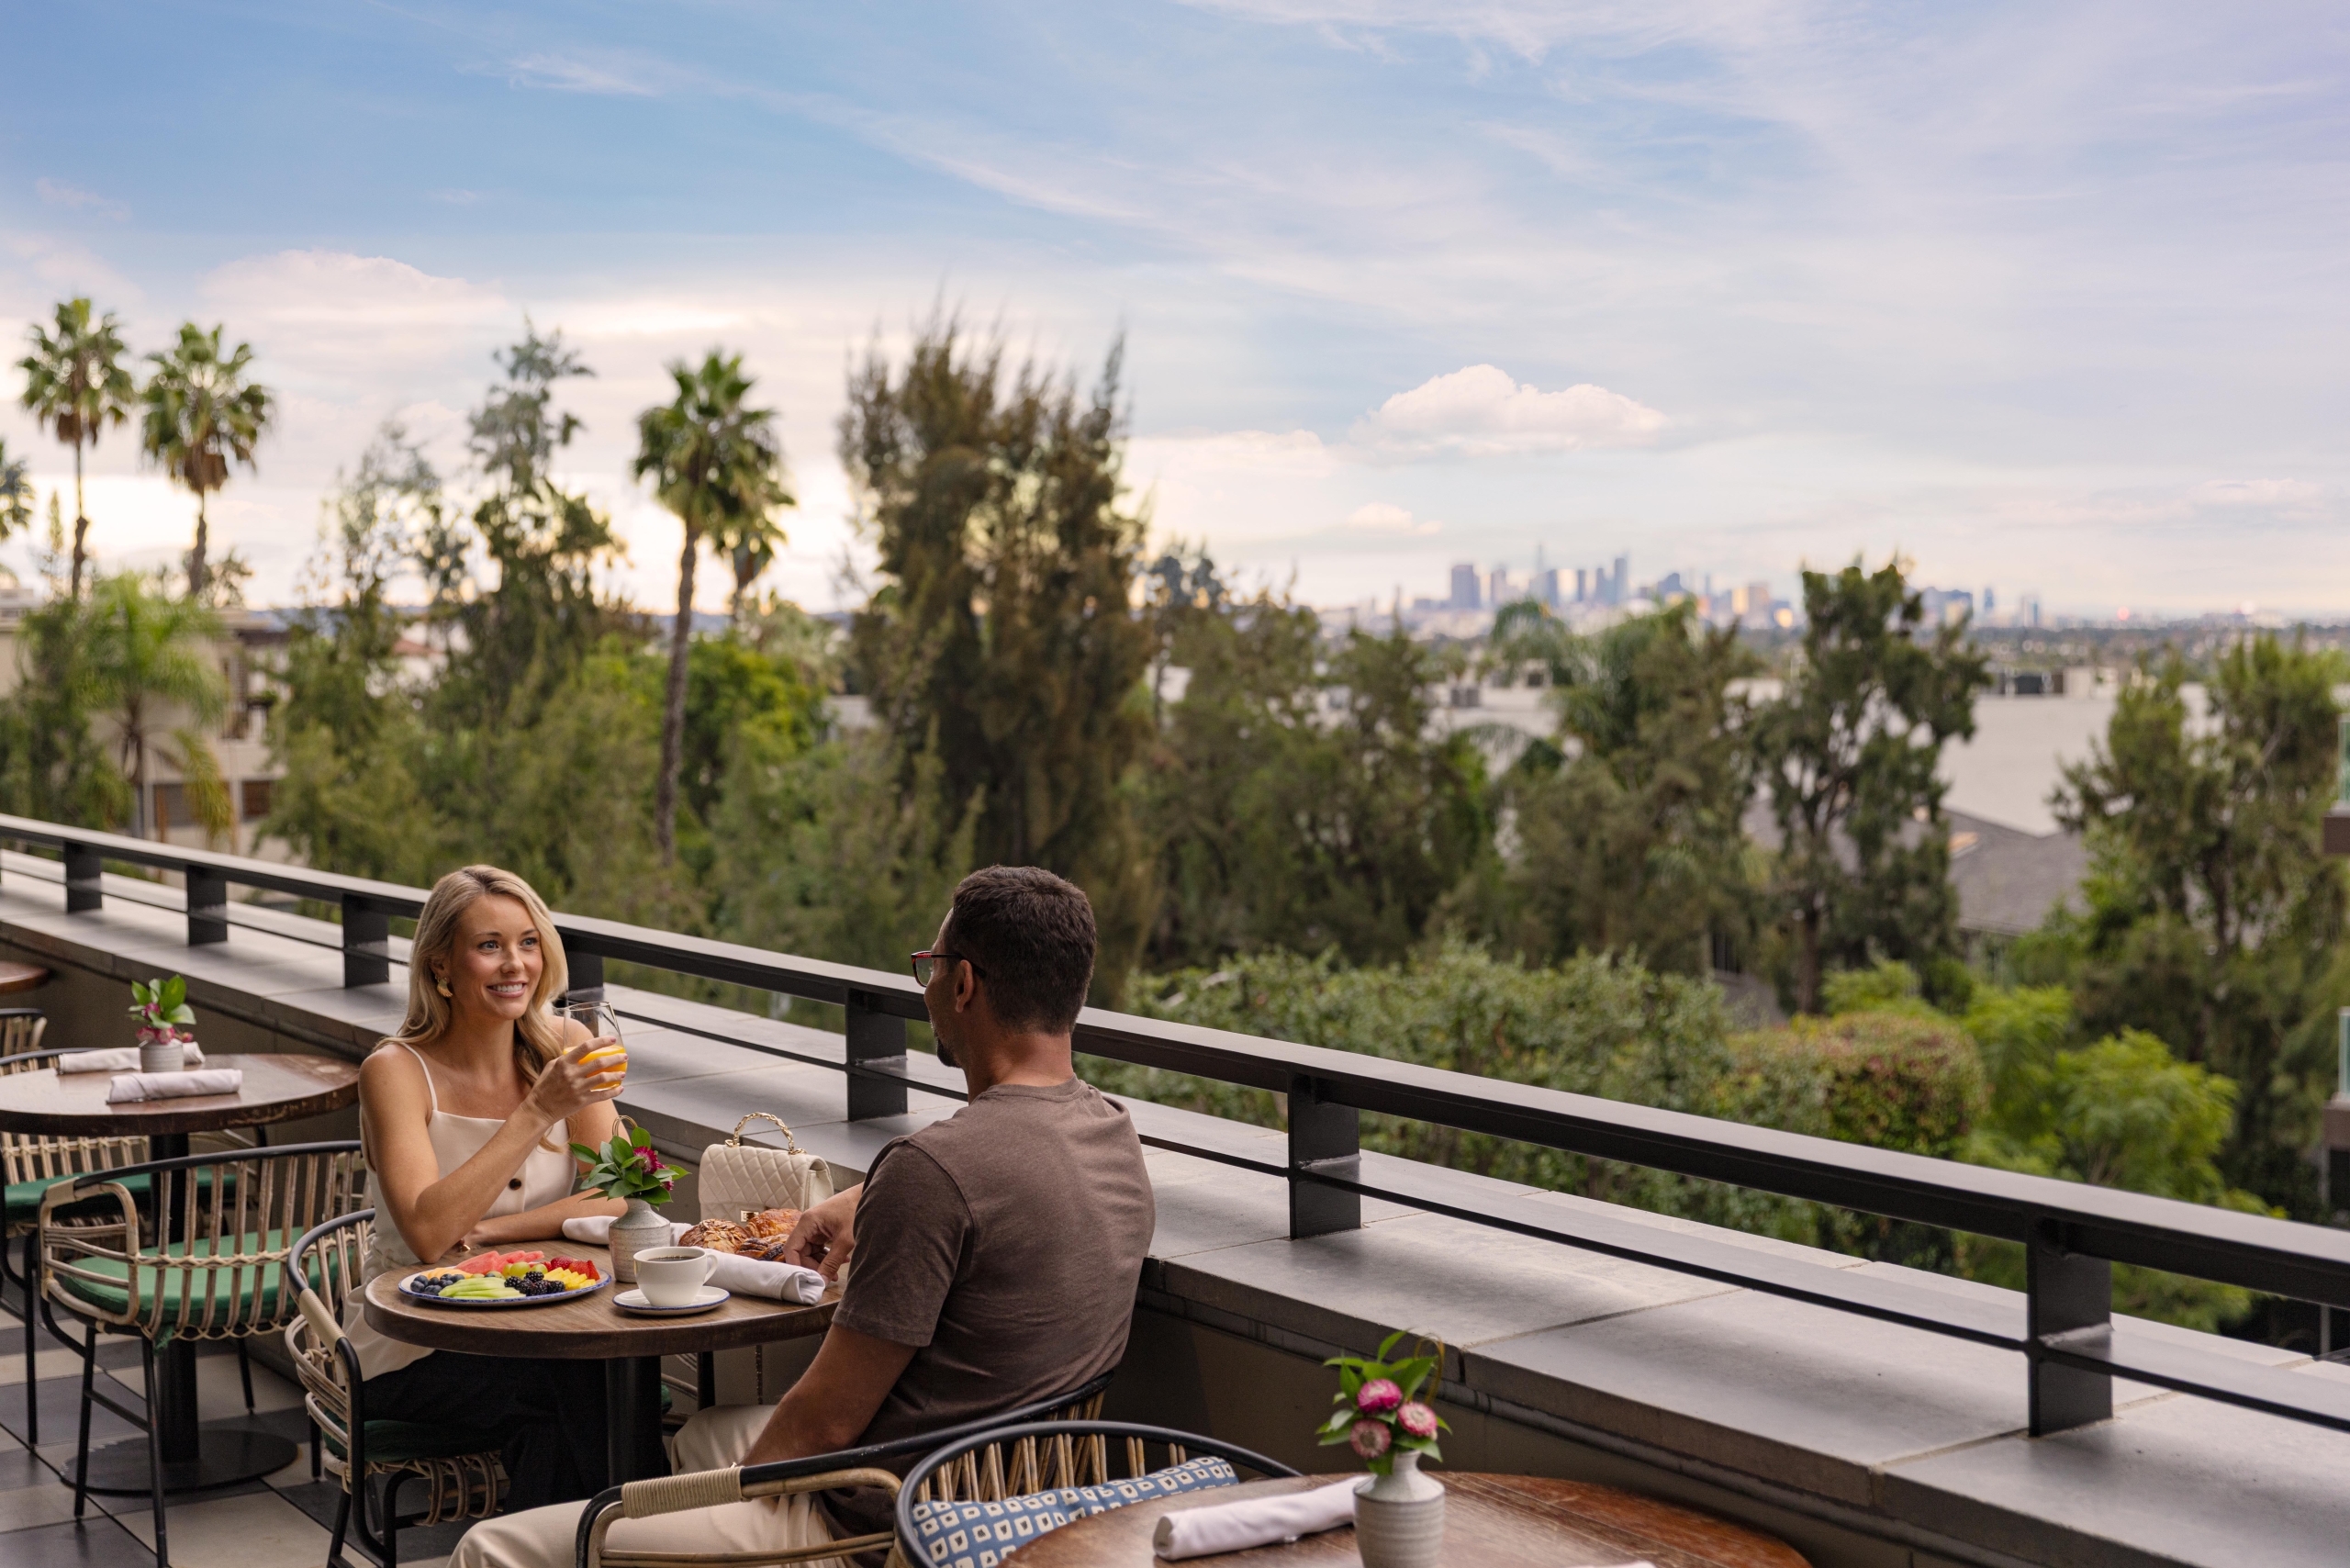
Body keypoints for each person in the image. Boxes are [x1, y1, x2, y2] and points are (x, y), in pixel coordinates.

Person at [453, 865, 1157, 1568]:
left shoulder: (935, 1172)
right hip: (1021, 1487)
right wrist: (870, 1191)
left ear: (965, 983)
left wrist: (728, 1501)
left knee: (494, 1547)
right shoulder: (1111, 1130)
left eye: (931, 968)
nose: (929, 987)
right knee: (702, 1437)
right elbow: (993, 1162)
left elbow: (824, 1420)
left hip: (882, 1518)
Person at [349, 865, 630, 1514]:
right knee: (569, 1390)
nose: (516, 964)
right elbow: (427, 1234)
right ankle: (618, 1546)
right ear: (441, 965)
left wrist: (492, 1235)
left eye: (528, 942)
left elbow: (616, 1191)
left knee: (589, 1380)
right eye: (489, 946)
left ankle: (590, 1547)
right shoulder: (395, 1071)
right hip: (413, 1341)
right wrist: (536, 1111)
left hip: (544, 1318)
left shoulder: (565, 1041)